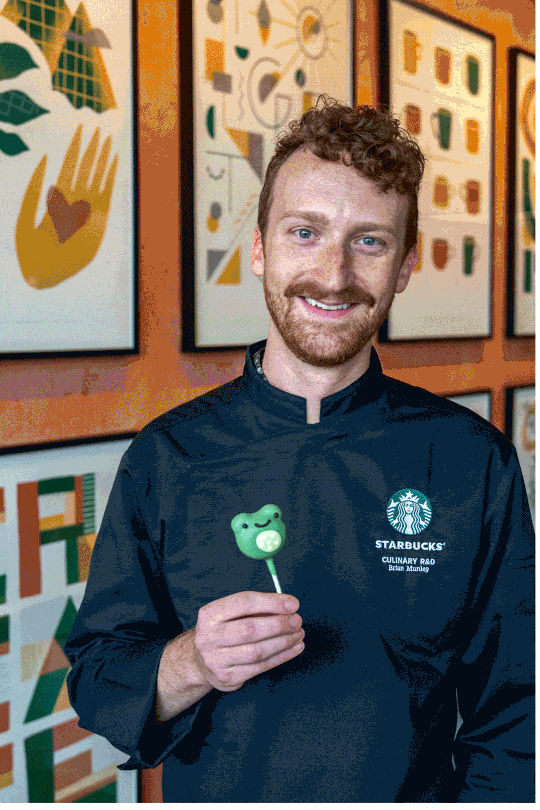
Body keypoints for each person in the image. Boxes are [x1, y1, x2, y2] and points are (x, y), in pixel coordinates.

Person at [64, 97, 534, 803]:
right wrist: (193, 662)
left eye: (369, 241)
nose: (335, 273)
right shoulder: (168, 457)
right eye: (305, 232)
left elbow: (517, 714)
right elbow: (99, 678)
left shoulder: (474, 461)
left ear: (404, 266)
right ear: (259, 249)